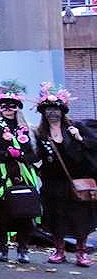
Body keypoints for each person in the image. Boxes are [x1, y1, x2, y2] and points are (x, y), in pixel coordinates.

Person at [34, 83, 95, 267]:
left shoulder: (76, 127)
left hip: (76, 181)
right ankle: (59, 250)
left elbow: (93, 145)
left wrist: (80, 138)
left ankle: (81, 252)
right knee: (55, 216)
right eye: (48, 110)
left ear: (62, 111)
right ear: (43, 113)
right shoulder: (40, 133)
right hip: (53, 183)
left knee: (80, 217)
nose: (52, 113)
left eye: (55, 109)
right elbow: (35, 156)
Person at [0, 86, 39, 264]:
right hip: (0, 176)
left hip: (23, 176)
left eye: (12, 106)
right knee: (0, 212)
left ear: (18, 108)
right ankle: (2, 248)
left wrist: (20, 155)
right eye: (4, 106)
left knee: (25, 212)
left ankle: (23, 249)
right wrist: (6, 154)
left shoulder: (27, 129)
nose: (8, 109)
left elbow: (35, 154)